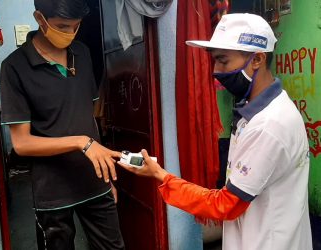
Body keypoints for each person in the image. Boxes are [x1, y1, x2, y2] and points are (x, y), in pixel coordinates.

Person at [118, 13, 313, 250]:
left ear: (257, 59)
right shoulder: (261, 109)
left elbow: (225, 205)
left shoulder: (269, 126)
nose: (215, 70)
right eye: (215, 61)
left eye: (223, 60)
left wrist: (161, 176)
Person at [0, 0, 125, 249]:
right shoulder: (14, 67)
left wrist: (106, 180)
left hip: (94, 180)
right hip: (52, 191)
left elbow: (88, 118)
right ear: (39, 18)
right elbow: (22, 143)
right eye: (62, 26)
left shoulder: (83, 53)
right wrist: (81, 142)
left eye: (75, 26)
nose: (69, 34)